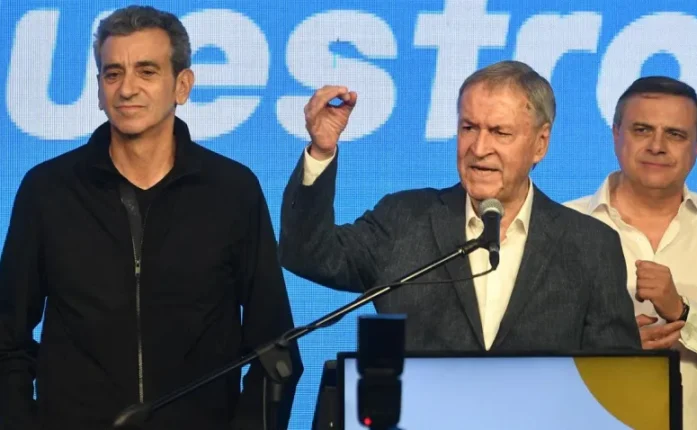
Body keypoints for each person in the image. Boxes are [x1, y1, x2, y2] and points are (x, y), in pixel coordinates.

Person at [0, 5, 301, 430]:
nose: (127, 89)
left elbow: (276, 349)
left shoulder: (232, 191)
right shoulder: (47, 190)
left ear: (182, 85)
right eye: (113, 73)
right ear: (99, 89)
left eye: (146, 71)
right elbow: (7, 339)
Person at [279, 60, 640, 353]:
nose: (479, 149)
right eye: (469, 128)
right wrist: (321, 151)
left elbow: (612, 378)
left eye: (499, 132)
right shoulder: (404, 221)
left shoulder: (590, 246)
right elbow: (308, 255)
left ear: (540, 143)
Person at [565, 76, 697, 429]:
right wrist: (612, 347)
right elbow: (527, 351)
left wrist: (685, 315)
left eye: (675, 134)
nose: (657, 146)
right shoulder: (561, 227)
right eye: (642, 130)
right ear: (616, 134)